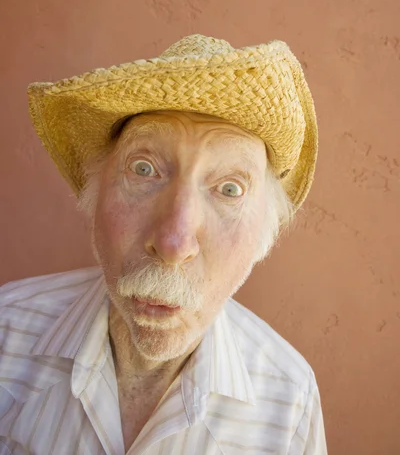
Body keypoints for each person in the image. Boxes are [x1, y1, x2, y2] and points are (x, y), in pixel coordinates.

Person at [0, 34, 327, 454]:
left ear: (265, 233)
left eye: (230, 189)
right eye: (144, 168)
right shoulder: (6, 334)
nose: (174, 243)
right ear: (94, 194)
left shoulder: (290, 404)